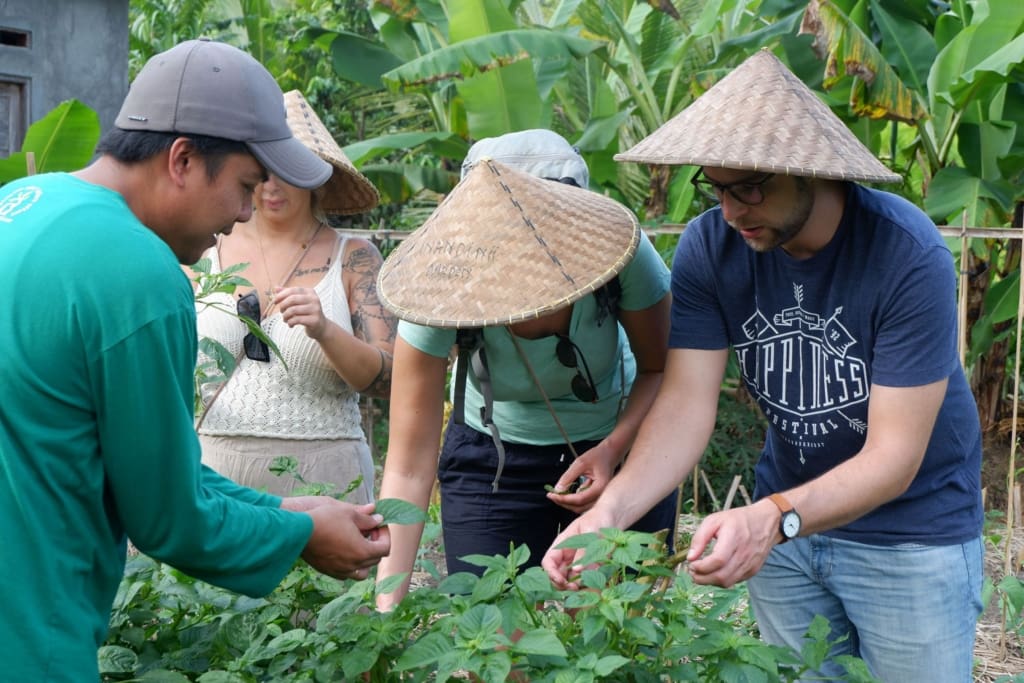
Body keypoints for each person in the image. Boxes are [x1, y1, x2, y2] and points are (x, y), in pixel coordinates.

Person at [541, 49, 984, 682]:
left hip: (911, 537)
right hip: (784, 536)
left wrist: (774, 517)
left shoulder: (906, 256)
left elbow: (895, 457)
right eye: (716, 187)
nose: (731, 211)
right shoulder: (710, 246)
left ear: (812, 172)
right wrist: (608, 514)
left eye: (750, 188)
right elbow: (689, 402)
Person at [0, 39, 390, 682]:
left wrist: (286, 512)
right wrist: (301, 539)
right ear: (182, 159)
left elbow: (145, 465)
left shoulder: (26, 203)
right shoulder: (139, 271)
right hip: (29, 636)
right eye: (243, 186)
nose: (242, 214)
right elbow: (169, 520)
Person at [373, 129, 680, 610]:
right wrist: (385, 612)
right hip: (492, 462)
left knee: (619, 629)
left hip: (620, 444)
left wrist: (612, 449)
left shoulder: (622, 253)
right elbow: (410, 464)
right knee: (496, 643)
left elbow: (661, 370)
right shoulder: (439, 284)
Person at [191, 89, 395, 501]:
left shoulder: (353, 257)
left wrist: (325, 330)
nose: (272, 186)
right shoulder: (199, 252)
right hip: (213, 479)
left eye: (288, 170)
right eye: (261, 170)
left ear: (316, 173)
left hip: (327, 478)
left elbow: (390, 380)